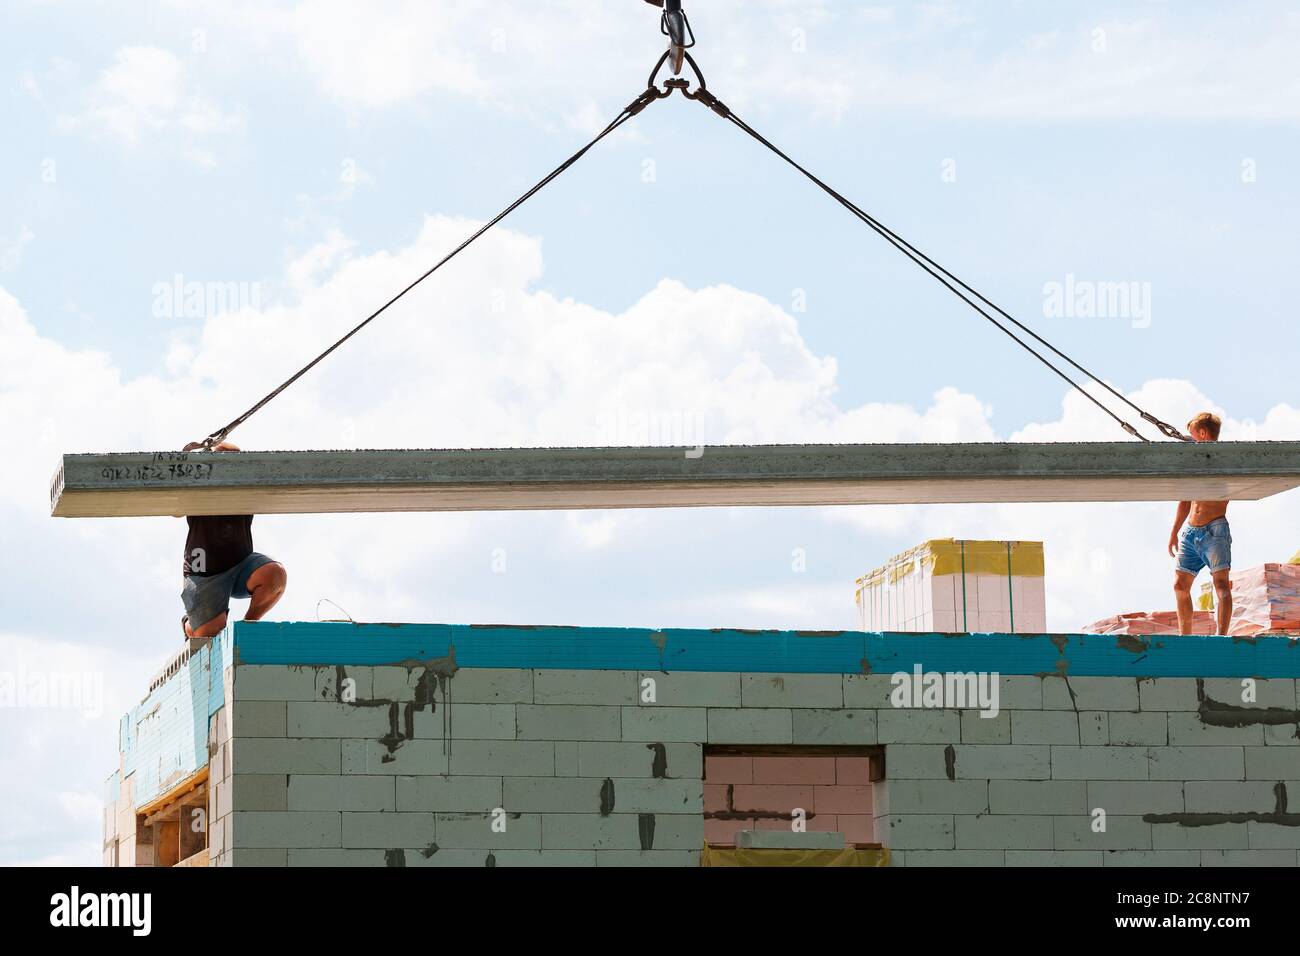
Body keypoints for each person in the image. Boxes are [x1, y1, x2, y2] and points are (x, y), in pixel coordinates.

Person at [179, 441, 287, 640]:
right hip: (204, 571)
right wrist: (190, 463)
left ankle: (248, 627)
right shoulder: (199, 487)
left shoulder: (245, 486)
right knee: (207, 633)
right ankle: (190, 623)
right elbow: (175, 509)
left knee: (275, 575)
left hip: (240, 564)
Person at [1168, 412, 1231, 635]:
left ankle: (1221, 637)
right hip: (1190, 532)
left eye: (1192, 436)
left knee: (1221, 585)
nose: (1190, 440)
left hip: (1214, 530)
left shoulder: (1225, 460)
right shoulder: (1194, 462)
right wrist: (1175, 531)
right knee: (1180, 585)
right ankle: (1185, 637)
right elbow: (1185, 499)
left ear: (1203, 434)